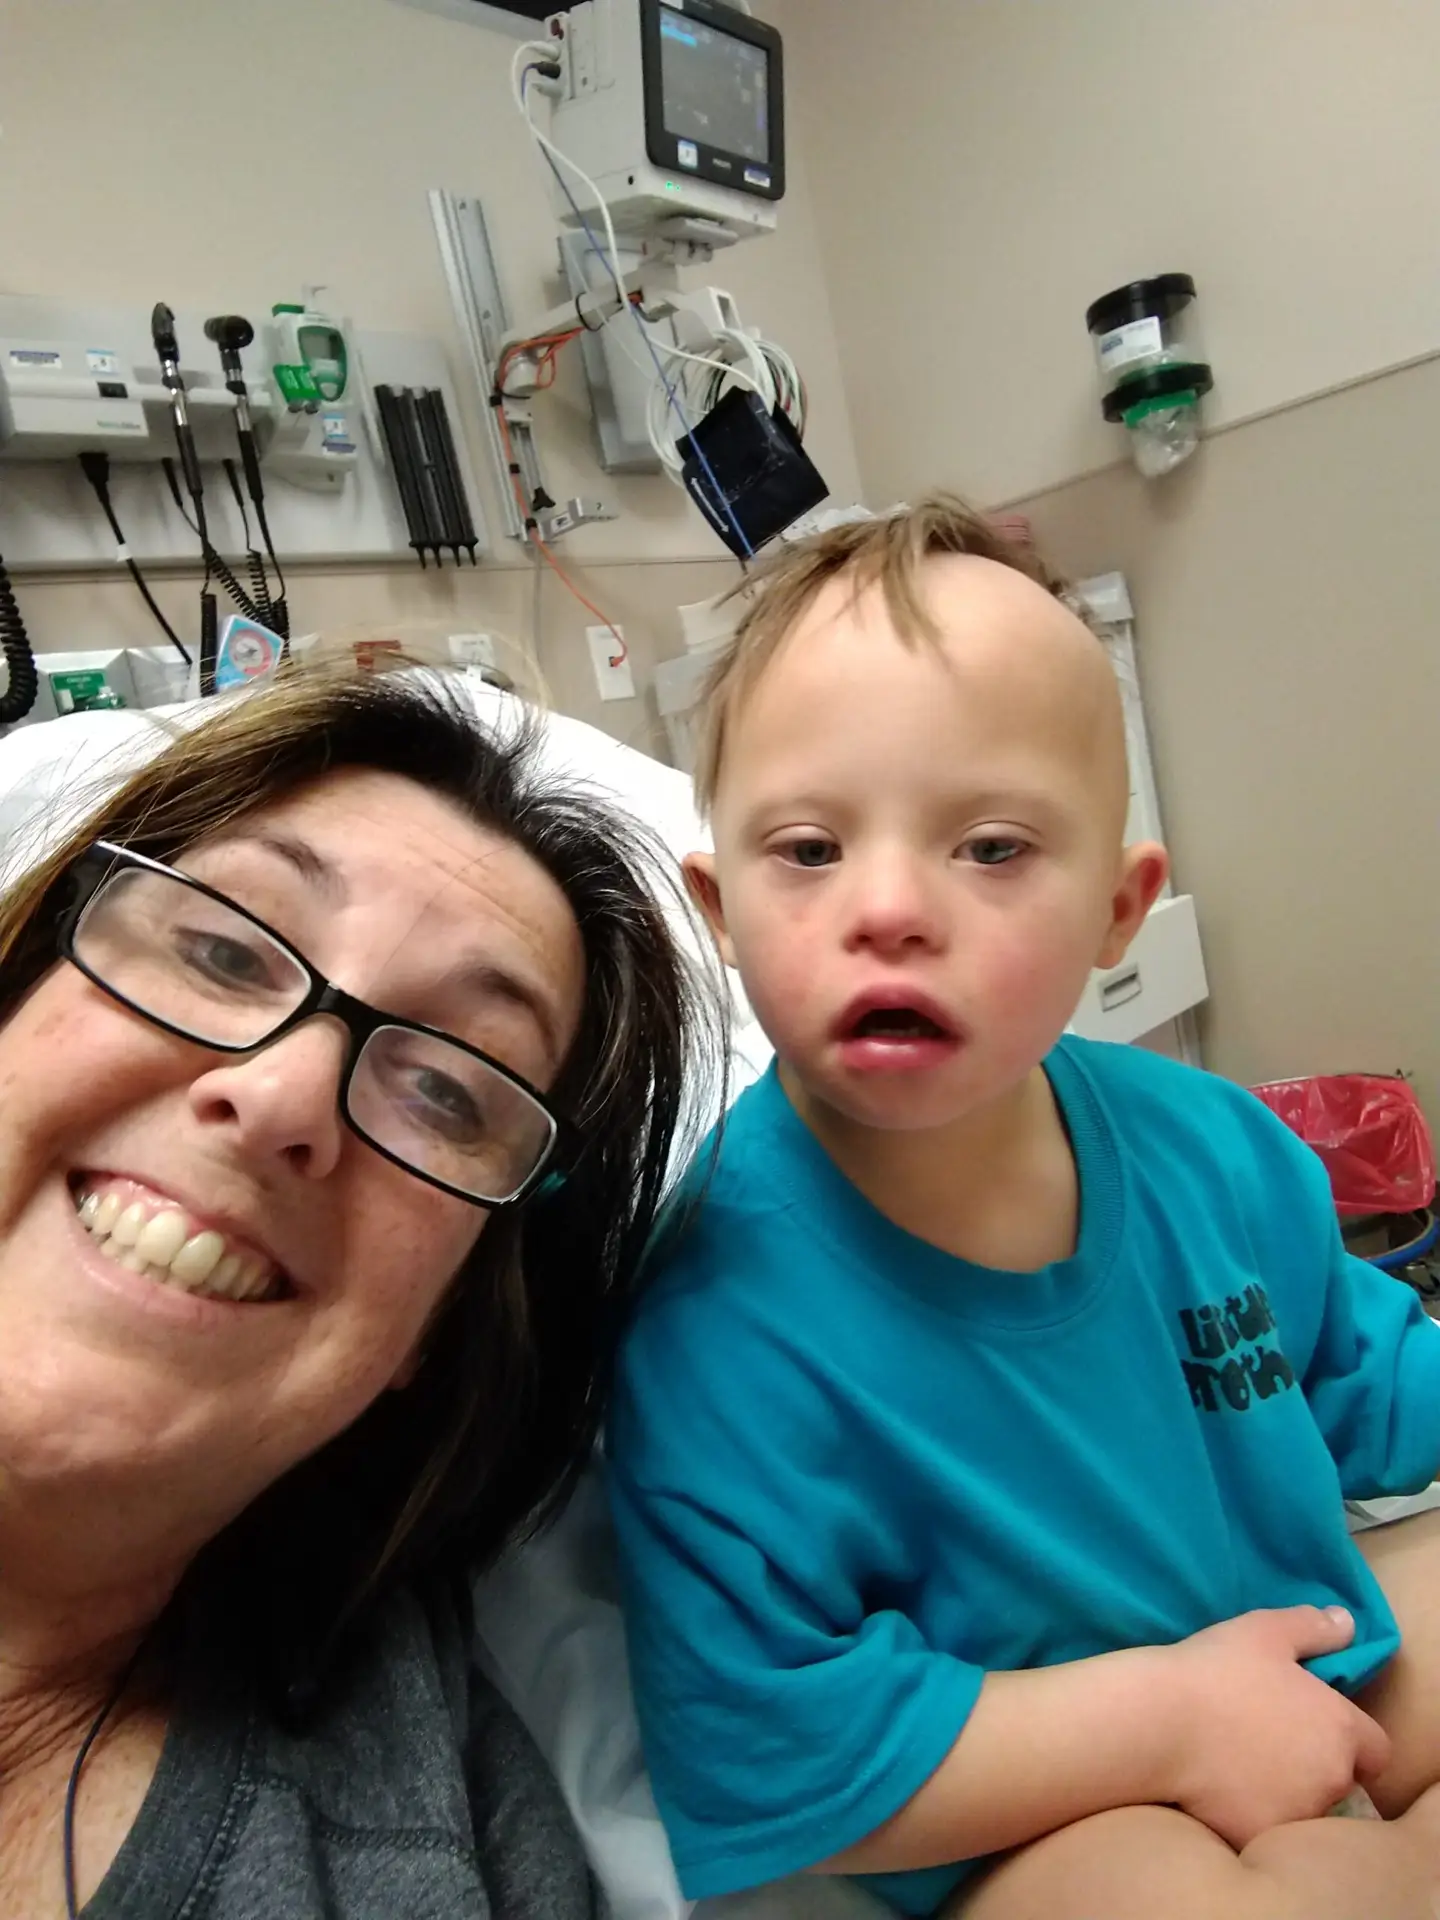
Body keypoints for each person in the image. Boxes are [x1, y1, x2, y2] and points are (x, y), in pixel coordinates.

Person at [606, 497, 1440, 1920]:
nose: (888, 907)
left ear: (1120, 911)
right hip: (1039, 1804)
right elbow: (770, 1741)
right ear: (718, 905)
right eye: (806, 850)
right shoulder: (711, 1311)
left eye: (988, 848)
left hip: (1308, 1671)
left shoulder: (1211, 1151)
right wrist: (1169, 1722)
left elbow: (1374, 1381)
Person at [0, 665, 721, 1918]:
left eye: (449, 1090)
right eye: (223, 949)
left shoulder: (439, 1839)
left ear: (434, 1330)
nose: (279, 1096)